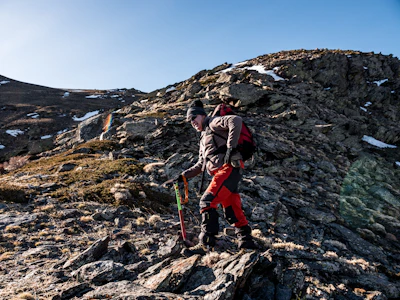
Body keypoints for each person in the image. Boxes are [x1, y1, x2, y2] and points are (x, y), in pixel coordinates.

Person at [172, 99, 257, 257]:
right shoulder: (203, 138)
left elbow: (235, 120)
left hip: (228, 168)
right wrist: (183, 176)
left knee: (207, 202)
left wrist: (230, 148)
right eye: (189, 121)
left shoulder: (213, 122)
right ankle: (247, 243)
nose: (192, 123)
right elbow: (200, 165)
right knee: (232, 209)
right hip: (223, 172)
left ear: (202, 115)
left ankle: (206, 244)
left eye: (193, 118)